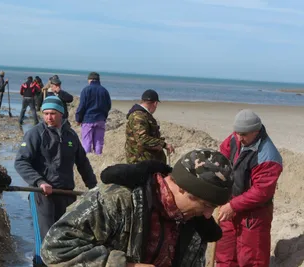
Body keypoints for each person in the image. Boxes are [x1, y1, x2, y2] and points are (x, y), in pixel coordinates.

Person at [41, 148, 234, 267]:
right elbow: (55, 248)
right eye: (206, 205)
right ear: (184, 189)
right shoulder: (117, 199)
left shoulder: (197, 223)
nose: (209, 214)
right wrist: (124, 265)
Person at [14, 95, 97, 266]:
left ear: (61, 114)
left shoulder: (71, 135)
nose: (48, 117)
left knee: (63, 237)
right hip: (42, 195)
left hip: (66, 194)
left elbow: (82, 162)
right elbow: (21, 162)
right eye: (45, 113)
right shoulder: (35, 134)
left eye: (52, 113)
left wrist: (93, 186)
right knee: (45, 238)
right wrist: (39, 181)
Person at [215, 109, 283, 267]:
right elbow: (224, 154)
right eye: (237, 133)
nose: (239, 138)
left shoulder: (268, 156)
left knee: (252, 259)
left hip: (254, 215)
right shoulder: (235, 137)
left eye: (244, 134)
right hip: (229, 205)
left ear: (256, 131)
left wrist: (233, 205)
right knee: (225, 254)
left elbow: (261, 192)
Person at [125, 89, 175, 164]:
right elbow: (142, 139)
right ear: (155, 103)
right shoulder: (138, 117)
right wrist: (164, 144)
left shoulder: (144, 115)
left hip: (147, 160)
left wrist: (158, 144)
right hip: (140, 162)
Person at [75, 72, 112, 155]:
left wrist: (78, 119)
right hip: (100, 119)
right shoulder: (104, 91)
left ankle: (87, 160)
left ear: (90, 80)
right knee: (99, 142)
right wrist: (104, 116)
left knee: (87, 142)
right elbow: (108, 105)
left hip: (88, 119)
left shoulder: (86, 90)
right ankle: (98, 158)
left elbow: (82, 106)